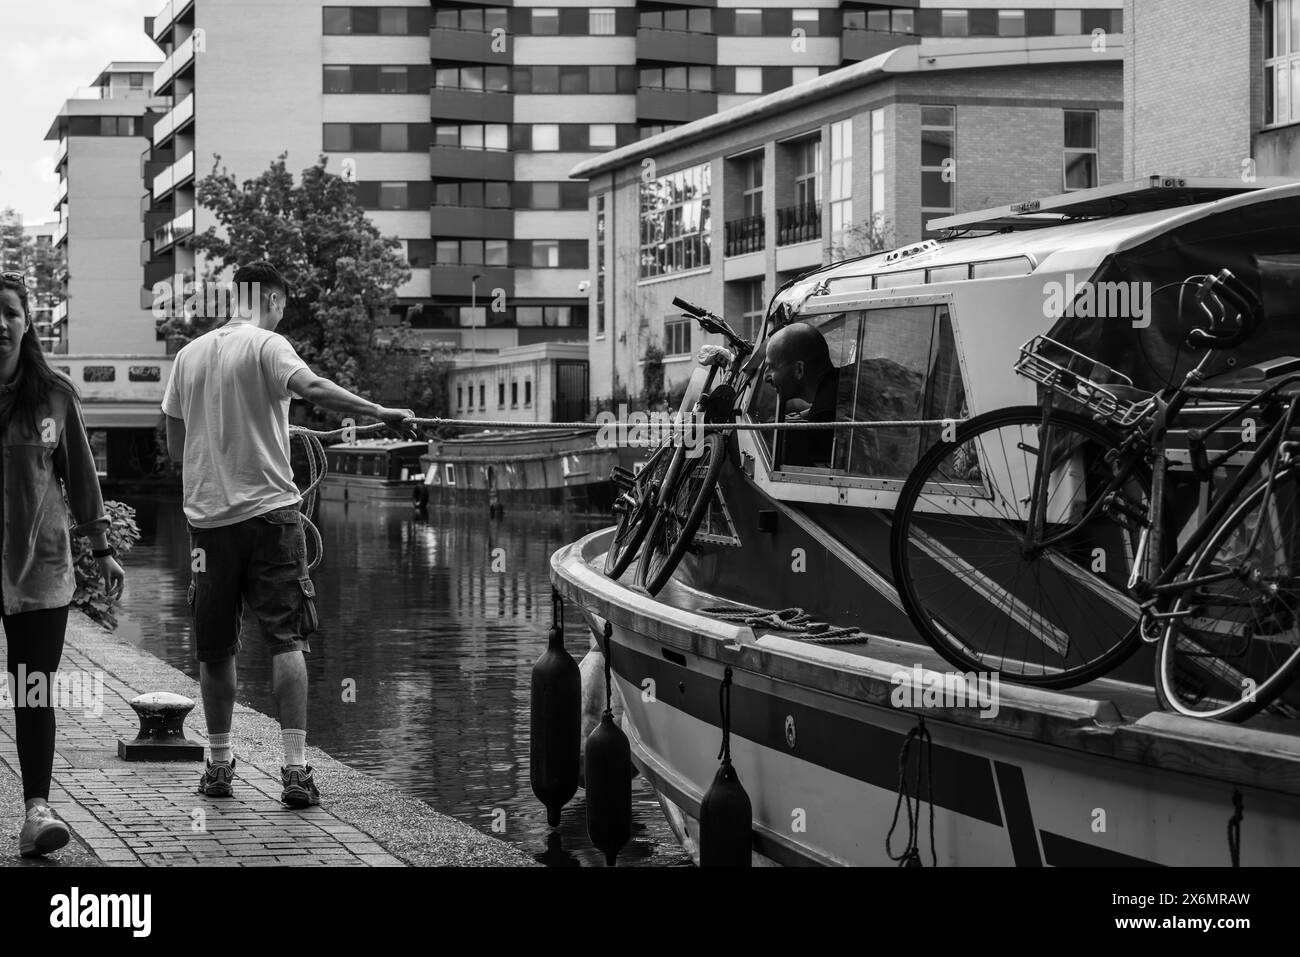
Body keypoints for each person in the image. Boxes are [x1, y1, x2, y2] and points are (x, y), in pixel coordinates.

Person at [161, 261, 415, 808]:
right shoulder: (268, 344)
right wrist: (381, 411)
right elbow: (313, 387)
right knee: (287, 640)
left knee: (215, 648)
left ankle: (219, 766)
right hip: (272, 518)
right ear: (273, 300)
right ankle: (295, 771)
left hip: (208, 525)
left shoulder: (188, 356)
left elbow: (177, 449)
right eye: (282, 307)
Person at [0, 271, 125, 856]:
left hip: (41, 568)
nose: (0, 323)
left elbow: (80, 475)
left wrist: (102, 549)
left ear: (27, 323)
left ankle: (36, 812)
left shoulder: (55, 396)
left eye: (9, 311)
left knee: (33, 691)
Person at [764, 322, 840, 467]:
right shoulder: (839, 384)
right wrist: (808, 414)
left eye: (771, 367)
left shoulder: (823, 419)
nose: (765, 377)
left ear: (799, 369)